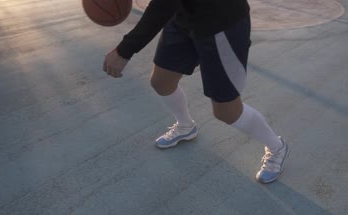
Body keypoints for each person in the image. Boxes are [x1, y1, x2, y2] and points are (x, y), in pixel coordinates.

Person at [103, 0, 289, 183]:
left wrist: (125, 50)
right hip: (183, 15)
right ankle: (186, 126)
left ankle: (277, 146)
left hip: (222, 23)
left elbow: (163, 5)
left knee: (226, 111)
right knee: (161, 82)